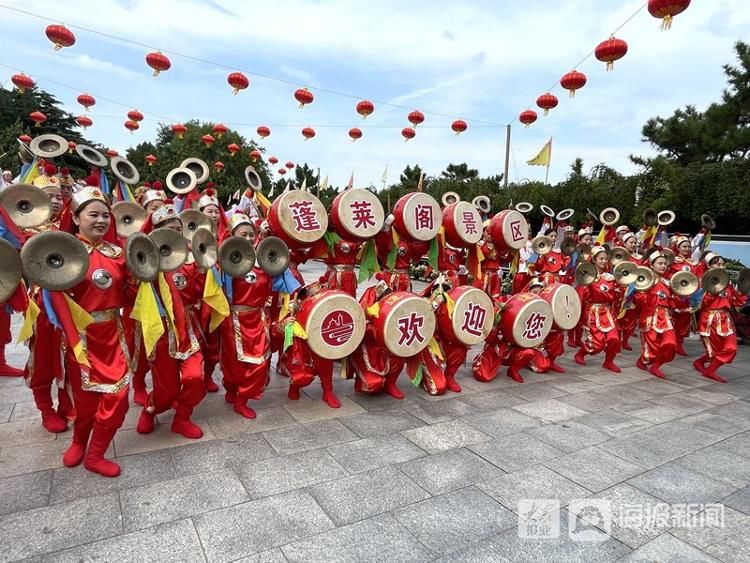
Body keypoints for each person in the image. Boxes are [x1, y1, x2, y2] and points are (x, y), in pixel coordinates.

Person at [58, 179, 135, 477]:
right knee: (86, 401)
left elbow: (127, 297)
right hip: (80, 337)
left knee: (117, 398)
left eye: (105, 215)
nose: (102, 220)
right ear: (76, 218)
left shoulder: (118, 254)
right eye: (94, 214)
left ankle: (95, 453)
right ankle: (79, 440)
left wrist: (136, 280)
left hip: (113, 334)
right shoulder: (62, 252)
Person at [134, 205, 206, 438]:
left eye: (178, 229)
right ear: (155, 232)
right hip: (160, 327)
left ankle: (182, 416)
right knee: (166, 388)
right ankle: (150, 409)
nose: (175, 234)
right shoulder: (143, 264)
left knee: (195, 377)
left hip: (187, 328)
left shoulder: (191, 259)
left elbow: (202, 292)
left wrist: (206, 271)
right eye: (169, 229)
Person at [219, 213, 272, 418]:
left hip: (256, 320)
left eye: (252, 234)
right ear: (232, 235)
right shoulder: (224, 262)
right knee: (233, 363)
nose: (249, 238)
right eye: (243, 234)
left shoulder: (264, 260)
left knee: (258, 362)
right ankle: (232, 390)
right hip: (232, 321)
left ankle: (242, 399)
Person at [694, 253, 748, 383]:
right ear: (709, 266)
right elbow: (698, 303)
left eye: (723, 264)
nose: (721, 266)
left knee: (731, 348)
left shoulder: (728, 284)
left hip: (726, 320)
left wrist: (742, 290)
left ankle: (709, 370)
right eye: (717, 264)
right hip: (710, 320)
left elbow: (736, 303)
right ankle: (701, 363)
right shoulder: (702, 283)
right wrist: (712, 289)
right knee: (714, 351)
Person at [574, 246, 623, 373]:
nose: (604, 261)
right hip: (592, 312)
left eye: (606, 259)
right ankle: (580, 353)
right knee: (597, 344)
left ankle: (609, 362)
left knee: (614, 339)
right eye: (601, 258)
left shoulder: (610, 278)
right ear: (594, 260)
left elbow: (615, 297)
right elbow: (582, 296)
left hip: (607, 312)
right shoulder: (587, 276)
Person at [634, 250, 677, 379]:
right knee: (651, 349)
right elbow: (638, 299)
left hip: (665, 317)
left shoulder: (668, 283)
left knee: (671, 343)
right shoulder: (645, 280)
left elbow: (672, 301)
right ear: (651, 265)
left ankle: (656, 366)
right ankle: (643, 360)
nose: (663, 266)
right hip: (650, 316)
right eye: (660, 263)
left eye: (665, 263)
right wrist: (643, 294)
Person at [670, 235, 699, 356]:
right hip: (675, 296)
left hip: (689, 297)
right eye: (684, 246)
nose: (686, 249)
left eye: (688, 246)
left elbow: (697, 279)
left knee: (684, 322)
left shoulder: (694, 263)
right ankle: (670, 343)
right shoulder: (674, 262)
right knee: (672, 320)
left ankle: (679, 343)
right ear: (678, 247)